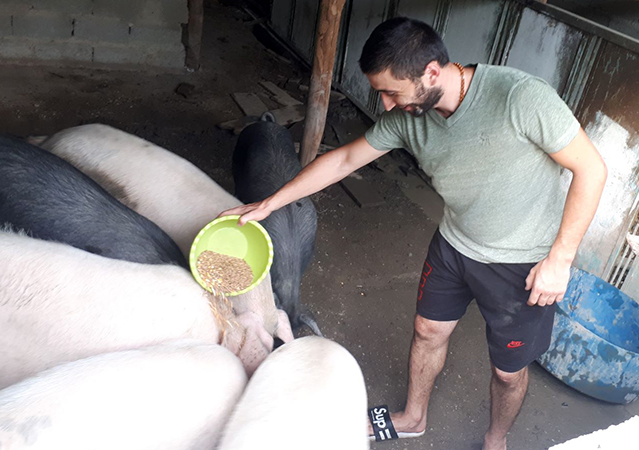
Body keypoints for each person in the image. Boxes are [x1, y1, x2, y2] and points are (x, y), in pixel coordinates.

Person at [221, 17, 607, 450]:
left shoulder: (520, 97)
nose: (385, 104)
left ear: (431, 73)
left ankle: (496, 440)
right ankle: (412, 417)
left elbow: (590, 168)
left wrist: (561, 258)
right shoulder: (410, 117)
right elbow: (345, 159)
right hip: (455, 243)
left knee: (507, 371)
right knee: (427, 331)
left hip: (523, 259)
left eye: (391, 91)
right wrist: (271, 202)